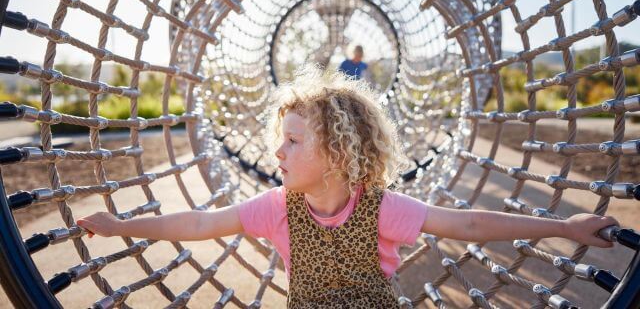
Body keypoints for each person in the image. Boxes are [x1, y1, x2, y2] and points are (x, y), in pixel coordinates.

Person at [78, 65, 618, 308]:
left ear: (338, 153)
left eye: (292, 142)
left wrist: (562, 225)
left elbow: (471, 223)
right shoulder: (276, 208)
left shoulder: (382, 208)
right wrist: (123, 224)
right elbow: (198, 224)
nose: (277, 152)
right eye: (280, 139)